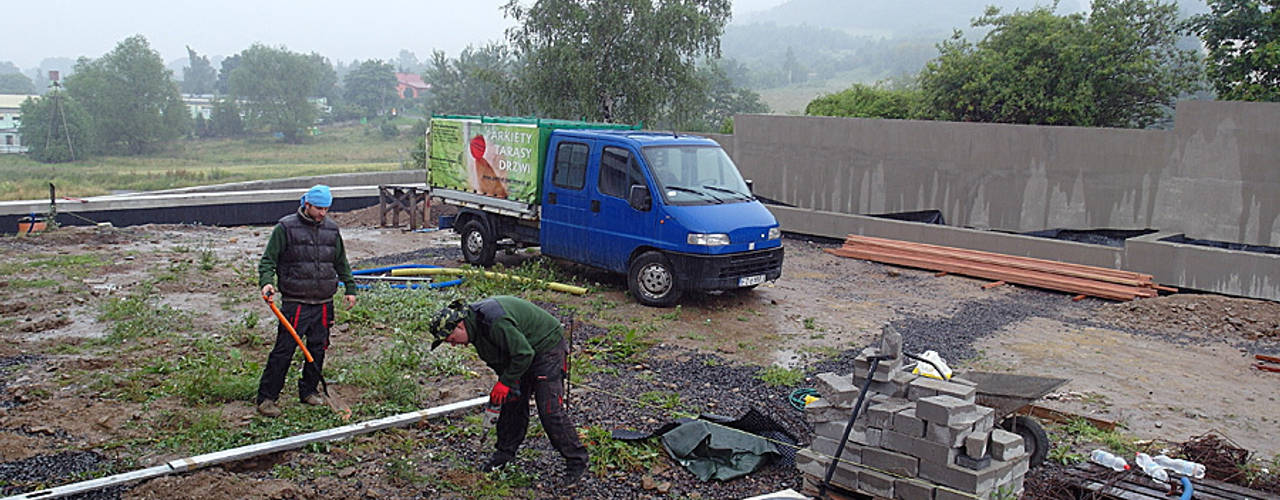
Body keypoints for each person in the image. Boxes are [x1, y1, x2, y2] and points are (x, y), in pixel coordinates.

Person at [429, 296, 589, 487]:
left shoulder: (494, 322)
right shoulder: (476, 333)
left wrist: (505, 382)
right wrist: (507, 386)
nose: (454, 344)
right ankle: (504, 454)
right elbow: (501, 361)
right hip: (522, 351)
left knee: (549, 410)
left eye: (452, 339)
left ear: (460, 326)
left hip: (546, 346)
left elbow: (524, 354)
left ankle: (576, 460)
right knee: (512, 401)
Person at [255, 184, 357, 417]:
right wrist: (267, 282)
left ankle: (309, 391)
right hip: (295, 302)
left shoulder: (331, 230)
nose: (323, 213)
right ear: (307, 205)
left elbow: (341, 262)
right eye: (319, 208)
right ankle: (267, 398)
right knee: (284, 350)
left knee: (319, 348)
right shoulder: (285, 228)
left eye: (326, 209)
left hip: (323, 302)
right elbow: (268, 261)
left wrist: (350, 287)